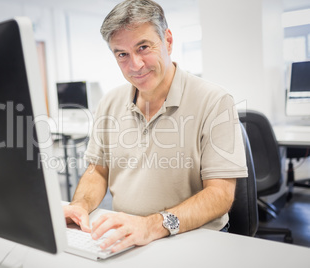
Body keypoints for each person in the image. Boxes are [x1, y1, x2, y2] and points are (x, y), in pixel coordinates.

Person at [63, 0, 247, 253]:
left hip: (195, 239)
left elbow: (220, 196)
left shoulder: (214, 101)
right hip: (128, 237)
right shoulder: (110, 102)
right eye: (122, 54)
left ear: (168, 40)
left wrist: (152, 225)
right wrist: (80, 205)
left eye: (143, 47)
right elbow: (98, 171)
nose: (135, 65)